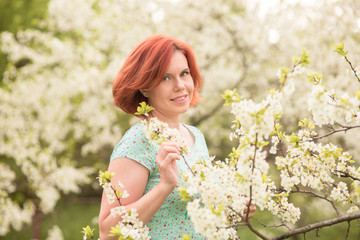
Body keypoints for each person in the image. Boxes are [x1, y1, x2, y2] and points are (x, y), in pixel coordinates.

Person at [98, 35, 255, 240]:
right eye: (165, 77)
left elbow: (186, 216)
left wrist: (228, 210)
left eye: (184, 73)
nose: (180, 85)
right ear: (145, 87)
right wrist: (164, 186)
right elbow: (107, 232)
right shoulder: (138, 141)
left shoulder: (195, 136)